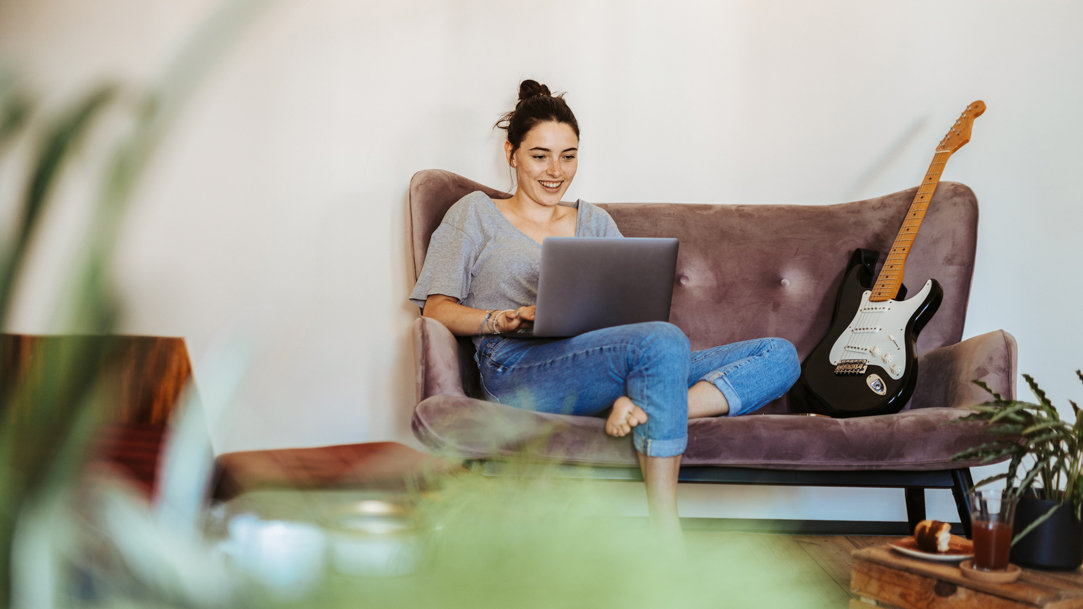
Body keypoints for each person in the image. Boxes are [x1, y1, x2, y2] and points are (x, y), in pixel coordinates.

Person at [409, 79, 800, 534]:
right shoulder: (474, 212)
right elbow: (434, 309)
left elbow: (630, 313)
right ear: (511, 153)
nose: (556, 170)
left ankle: (639, 402)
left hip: (604, 358)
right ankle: (665, 532)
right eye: (540, 155)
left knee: (779, 354)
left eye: (568, 156)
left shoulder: (594, 220)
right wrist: (501, 318)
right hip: (518, 366)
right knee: (663, 340)